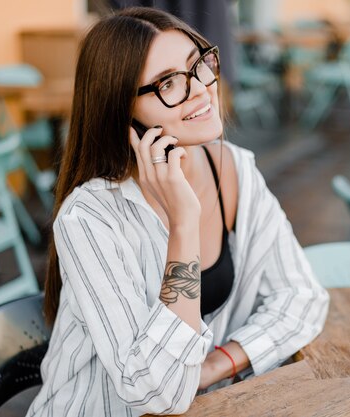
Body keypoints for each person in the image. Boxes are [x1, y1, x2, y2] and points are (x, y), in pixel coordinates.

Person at [28, 7, 329, 416]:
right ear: (122, 113)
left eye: (199, 65)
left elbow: (303, 297)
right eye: (168, 83)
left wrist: (218, 364)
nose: (201, 89)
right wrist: (183, 222)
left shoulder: (235, 168)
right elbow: (157, 393)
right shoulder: (90, 218)